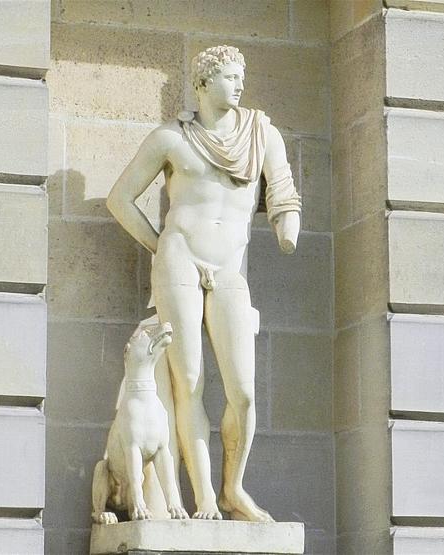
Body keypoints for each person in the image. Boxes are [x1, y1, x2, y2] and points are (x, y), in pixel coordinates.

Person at [107, 45, 301, 522]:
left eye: (242, 76)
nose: (240, 85)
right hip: (179, 260)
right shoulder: (172, 138)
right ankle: (205, 498)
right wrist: (161, 247)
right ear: (203, 82)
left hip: (228, 268)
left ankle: (233, 488)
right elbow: (120, 198)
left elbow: (283, 189)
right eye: (230, 76)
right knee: (188, 382)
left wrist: (286, 225)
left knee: (244, 392)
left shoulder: (261, 133)